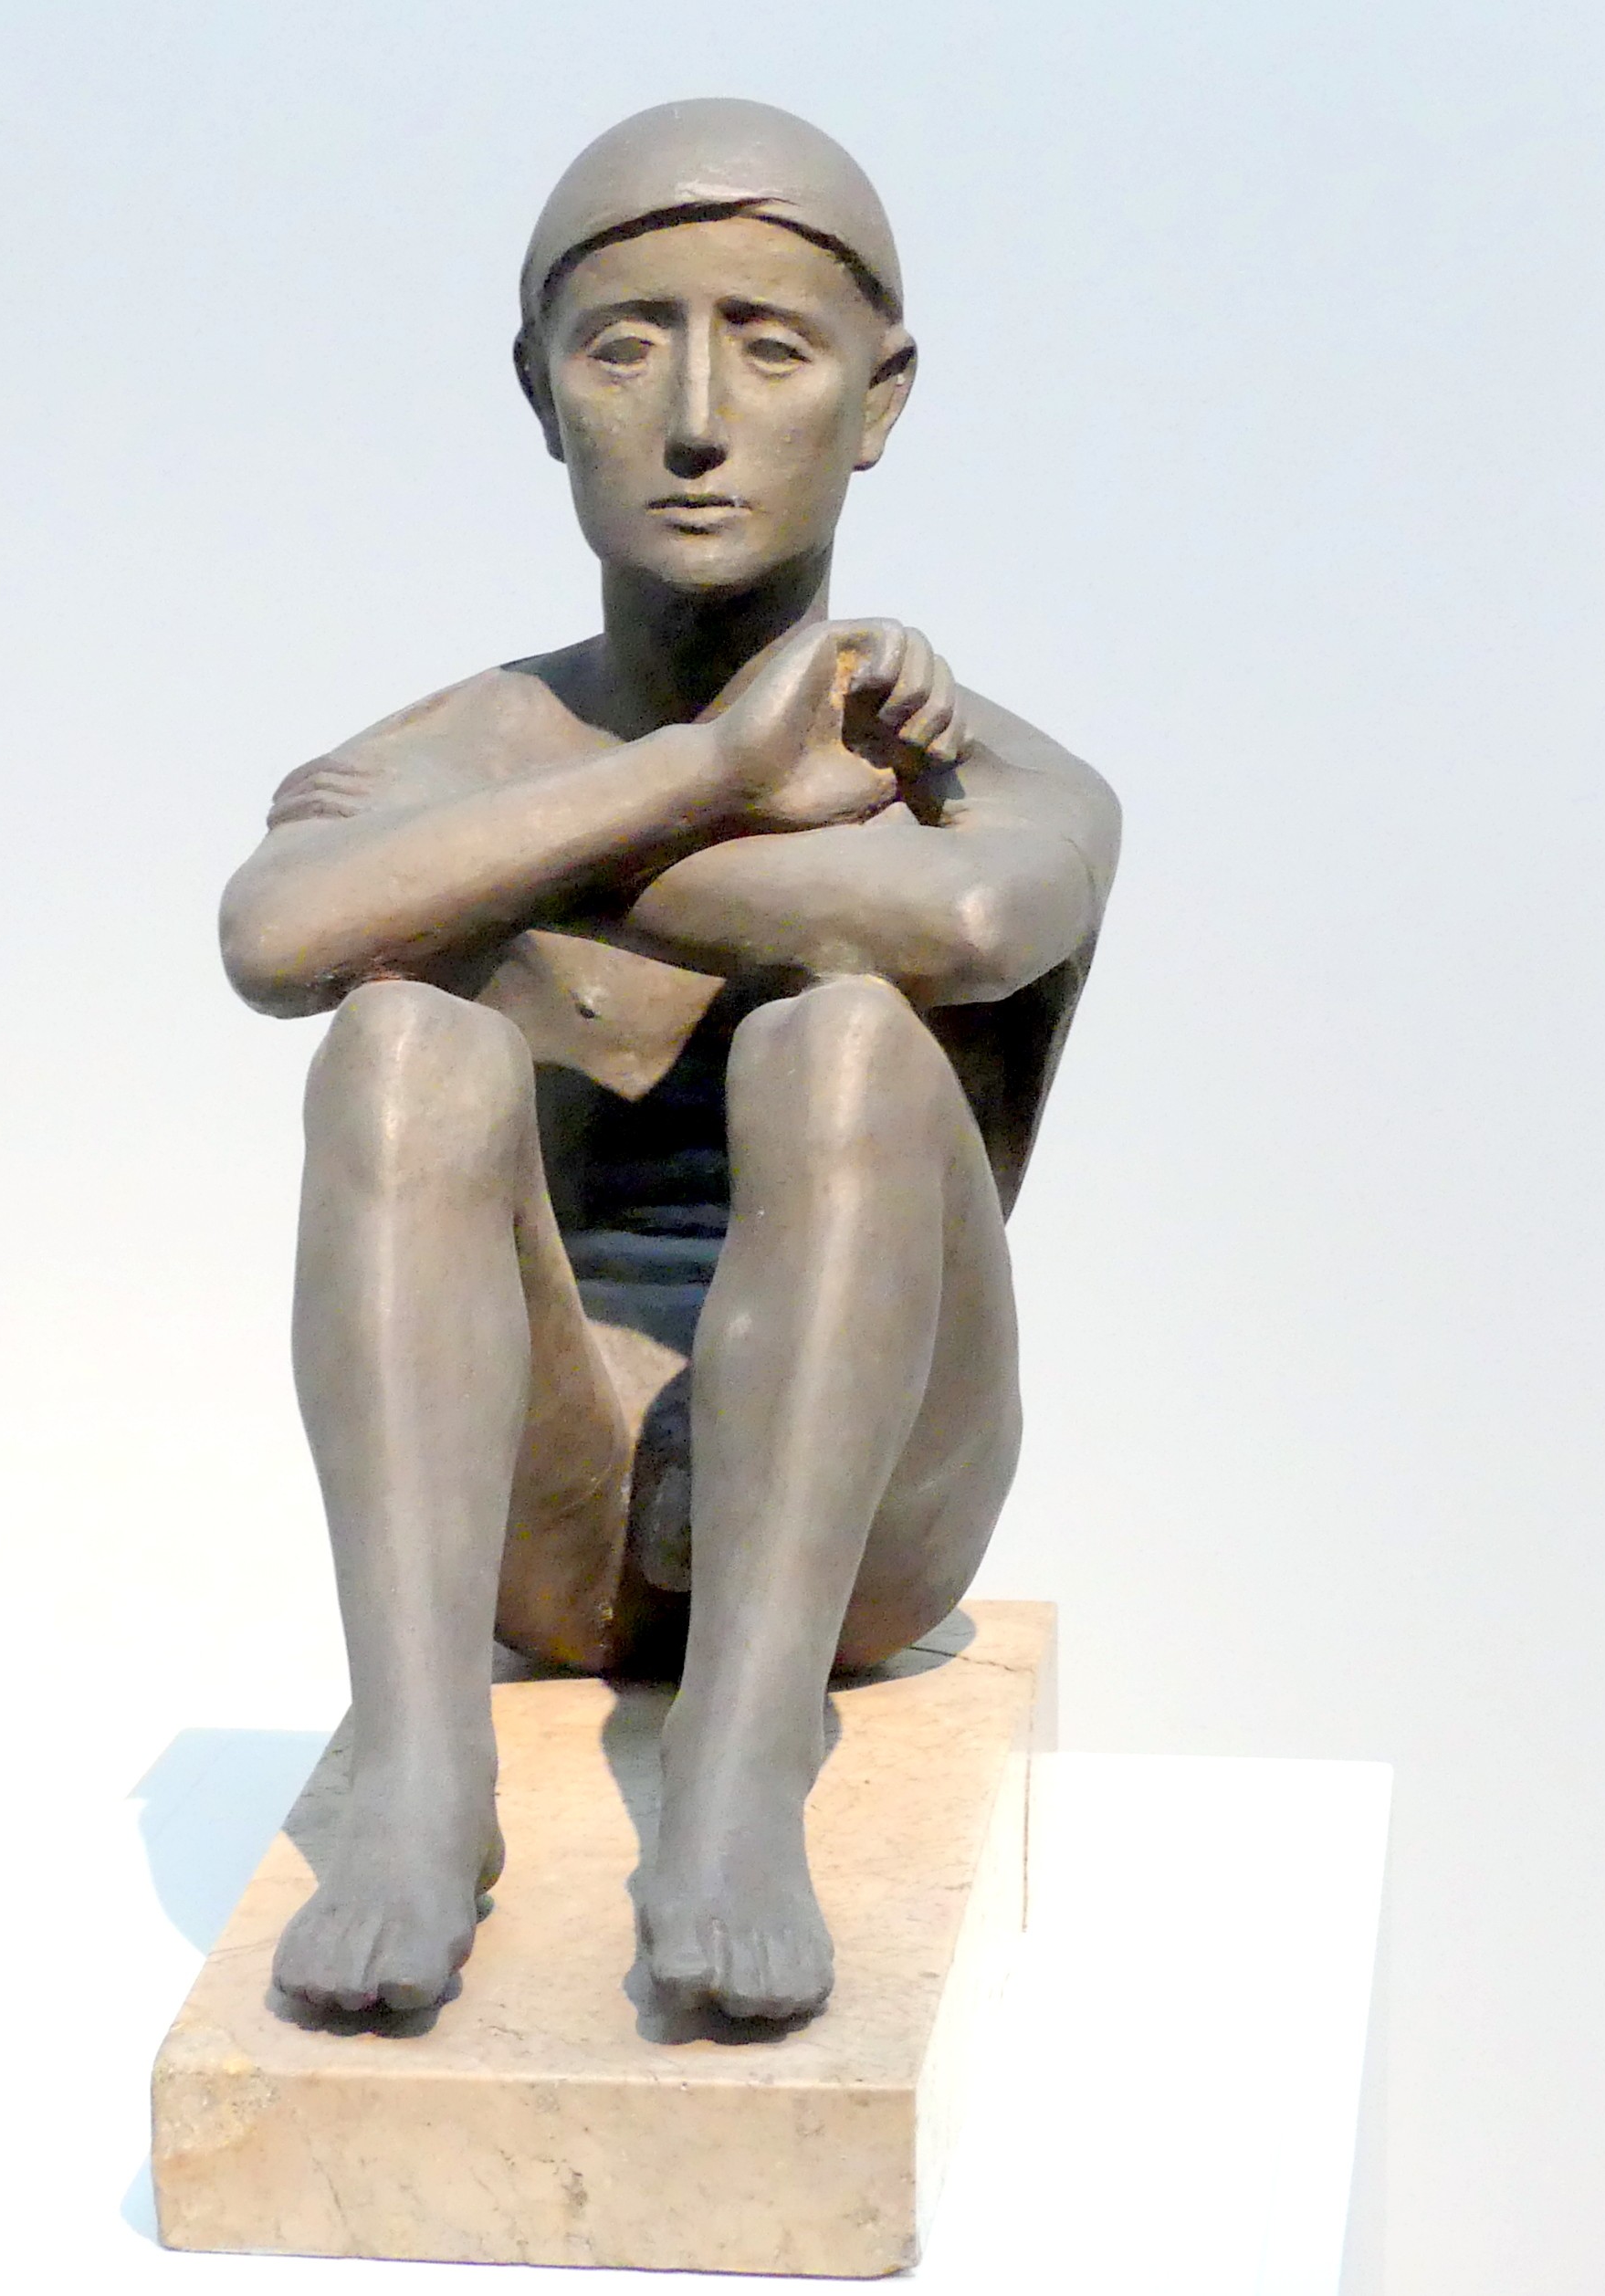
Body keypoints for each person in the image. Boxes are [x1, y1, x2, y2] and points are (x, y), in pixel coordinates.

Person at [217, 98, 1118, 2024]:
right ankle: (423, 1771)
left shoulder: (975, 767)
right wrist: (706, 774)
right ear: (539, 393)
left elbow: (971, 923)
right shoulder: (449, 744)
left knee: (848, 1040)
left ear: (876, 400)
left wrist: (507, 871)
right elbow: (275, 940)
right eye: (626, 346)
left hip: (869, 1536)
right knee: (397, 1042)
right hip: (541, 1525)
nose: (696, 418)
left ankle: (740, 1763)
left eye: (770, 347)